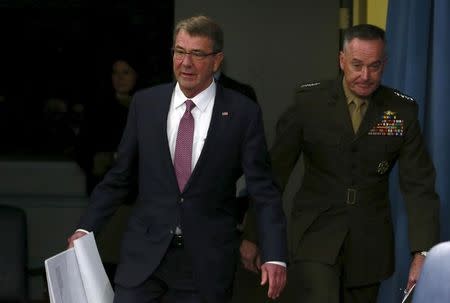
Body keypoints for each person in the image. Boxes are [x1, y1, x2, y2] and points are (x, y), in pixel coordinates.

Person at [67, 15, 287, 303]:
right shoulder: (146, 104)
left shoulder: (242, 113)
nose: (186, 63)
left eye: (197, 54)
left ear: (217, 60)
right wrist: (86, 227)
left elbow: (263, 189)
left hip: (204, 261)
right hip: (144, 258)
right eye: (180, 52)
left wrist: (274, 255)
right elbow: (119, 177)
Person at [241, 24, 440, 303]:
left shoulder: (401, 111)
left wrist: (423, 253)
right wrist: (253, 233)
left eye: (374, 66)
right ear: (341, 60)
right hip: (316, 235)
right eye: (357, 65)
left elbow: (419, 186)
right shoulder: (309, 103)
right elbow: (275, 173)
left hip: (370, 243)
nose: (365, 76)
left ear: (385, 64)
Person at [76, 57, 139, 194]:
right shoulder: (96, 109)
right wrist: (95, 163)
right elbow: (82, 147)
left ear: (135, 76)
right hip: (106, 189)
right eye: (115, 73)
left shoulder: (147, 108)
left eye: (126, 72)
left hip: (138, 191)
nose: (120, 78)